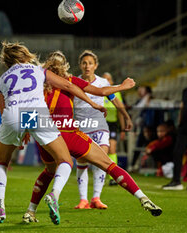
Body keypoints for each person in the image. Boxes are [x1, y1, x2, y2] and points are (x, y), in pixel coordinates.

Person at [22, 51, 161, 224]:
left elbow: (28, 105)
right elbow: (102, 91)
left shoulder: (37, 82)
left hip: (43, 135)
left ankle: (30, 211)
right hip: (67, 132)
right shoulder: (70, 80)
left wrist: (26, 131)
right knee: (108, 164)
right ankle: (142, 198)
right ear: (65, 66)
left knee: (49, 170)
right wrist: (122, 86)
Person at [0, 42, 108, 225]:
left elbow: (2, 109)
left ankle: (0, 205)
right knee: (65, 161)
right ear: (24, 55)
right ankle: (54, 196)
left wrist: (20, 130)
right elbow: (68, 86)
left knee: (1, 162)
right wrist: (93, 103)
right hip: (36, 113)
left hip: (12, 114)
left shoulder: (2, 79)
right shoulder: (37, 69)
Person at [73, 50, 134, 209]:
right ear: (80, 65)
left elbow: (115, 101)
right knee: (82, 161)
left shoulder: (103, 83)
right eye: (84, 63)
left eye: (90, 63)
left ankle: (96, 198)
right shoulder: (73, 82)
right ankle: (83, 200)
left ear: (96, 65)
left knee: (102, 158)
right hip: (81, 126)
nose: (87, 66)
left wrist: (126, 116)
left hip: (99, 125)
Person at [103, 72, 127, 186]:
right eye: (104, 79)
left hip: (112, 124)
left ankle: (113, 177)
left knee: (112, 149)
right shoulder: (99, 92)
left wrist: (122, 129)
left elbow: (120, 111)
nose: (106, 81)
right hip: (100, 123)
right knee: (102, 151)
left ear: (111, 82)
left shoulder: (116, 93)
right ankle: (101, 176)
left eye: (108, 79)